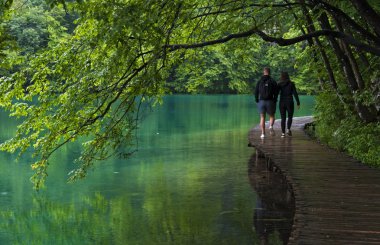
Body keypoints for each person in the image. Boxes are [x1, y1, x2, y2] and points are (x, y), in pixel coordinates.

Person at [255, 67, 278, 139]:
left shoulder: (259, 81)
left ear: (264, 72)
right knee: (272, 116)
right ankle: (271, 126)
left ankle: (263, 134)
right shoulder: (273, 81)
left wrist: (256, 99)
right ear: (269, 72)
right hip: (270, 101)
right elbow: (276, 92)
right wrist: (275, 99)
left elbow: (256, 91)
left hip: (261, 101)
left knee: (262, 117)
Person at [277, 72, 300, 137]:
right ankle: (288, 129)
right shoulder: (291, 84)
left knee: (283, 118)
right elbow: (295, 93)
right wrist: (298, 102)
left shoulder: (279, 84)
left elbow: (276, 93)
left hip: (282, 102)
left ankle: (283, 133)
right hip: (290, 102)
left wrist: (274, 100)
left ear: (282, 77)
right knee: (290, 117)